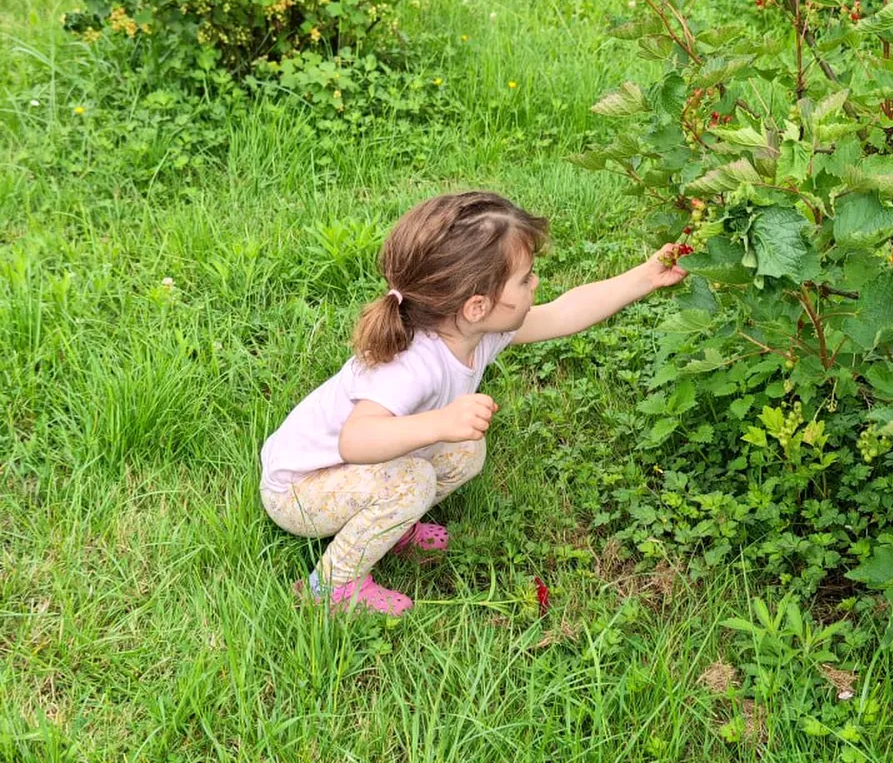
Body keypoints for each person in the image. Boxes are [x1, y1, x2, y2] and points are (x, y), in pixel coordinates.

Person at [259, 191, 687, 616]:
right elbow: (357, 439)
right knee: (413, 481)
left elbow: (563, 314)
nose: (536, 283)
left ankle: (387, 525)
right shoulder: (411, 365)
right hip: (300, 491)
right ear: (477, 306)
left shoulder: (475, 331)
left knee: (466, 450)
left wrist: (645, 277)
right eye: (525, 279)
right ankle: (331, 587)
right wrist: (441, 422)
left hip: (351, 473)